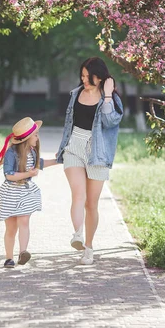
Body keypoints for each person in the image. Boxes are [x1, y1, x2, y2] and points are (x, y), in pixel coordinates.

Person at [56, 57, 124, 265]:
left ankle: (89, 246)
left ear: (100, 76)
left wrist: (108, 96)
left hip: (98, 151)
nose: (84, 80)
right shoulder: (76, 94)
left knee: (91, 204)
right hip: (74, 146)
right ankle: (77, 234)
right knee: (79, 195)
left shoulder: (110, 98)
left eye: (88, 76)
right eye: (82, 76)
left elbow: (110, 121)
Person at [0, 117, 57, 268]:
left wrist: (58, 160)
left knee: (24, 221)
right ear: (27, 138)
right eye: (36, 135)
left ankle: (23, 252)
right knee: (11, 228)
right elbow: (9, 175)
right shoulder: (11, 153)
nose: (38, 138)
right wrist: (29, 174)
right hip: (11, 193)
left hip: (26, 193)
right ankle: (8, 258)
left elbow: (40, 164)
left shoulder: (32, 152)